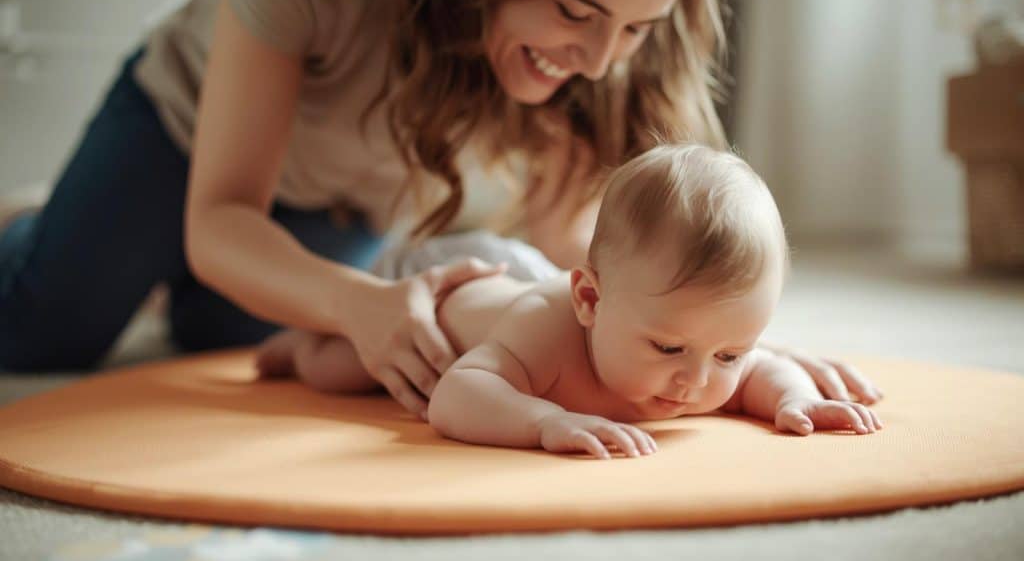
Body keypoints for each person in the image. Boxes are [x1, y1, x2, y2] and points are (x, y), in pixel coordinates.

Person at [0, 0, 879, 418]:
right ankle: (41, 224)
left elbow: (608, 256)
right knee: (48, 326)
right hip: (189, 144)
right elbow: (221, 222)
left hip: (343, 204)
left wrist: (718, 342)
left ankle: (164, 274)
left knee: (237, 337)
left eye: (638, 27)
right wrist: (357, 301)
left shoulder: (615, 33)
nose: (605, 58)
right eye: (576, 8)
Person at [255, 144, 883, 457]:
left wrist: (796, 397)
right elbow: (454, 395)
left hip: (531, 269)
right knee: (344, 369)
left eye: (727, 354)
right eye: (668, 347)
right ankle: (294, 344)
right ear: (589, 300)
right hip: (444, 285)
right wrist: (543, 421)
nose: (696, 380)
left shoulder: (688, 342)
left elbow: (763, 371)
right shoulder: (544, 332)